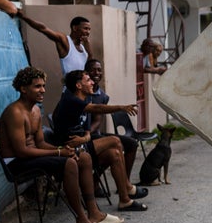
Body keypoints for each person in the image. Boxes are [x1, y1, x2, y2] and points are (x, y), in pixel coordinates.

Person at [0, 66, 124, 223]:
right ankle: (81, 221)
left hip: (31, 154)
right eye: (37, 86)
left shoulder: (35, 110)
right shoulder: (15, 112)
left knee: (83, 157)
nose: (42, 90)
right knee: (69, 163)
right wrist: (58, 153)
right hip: (17, 162)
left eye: (43, 86)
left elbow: (40, 143)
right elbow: (21, 151)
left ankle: (94, 212)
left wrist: (63, 149)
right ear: (23, 89)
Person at [52, 70, 148, 212]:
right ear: (79, 85)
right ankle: (127, 187)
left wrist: (85, 137)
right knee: (115, 141)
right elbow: (97, 108)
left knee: (114, 153)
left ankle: (125, 200)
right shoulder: (71, 100)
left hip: (82, 144)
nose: (92, 82)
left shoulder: (84, 99)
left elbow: (87, 131)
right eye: (88, 80)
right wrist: (121, 107)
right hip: (71, 150)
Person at [84, 58, 138, 180]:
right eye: (93, 70)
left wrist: (87, 132)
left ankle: (125, 182)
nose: (97, 73)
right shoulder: (81, 93)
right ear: (86, 73)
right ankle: (95, 182)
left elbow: (97, 121)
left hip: (93, 133)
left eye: (99, 70)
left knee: (132, 144)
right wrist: (84, 135)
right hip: (85, 137)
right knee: (112, 149)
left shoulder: (102, 96)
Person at [19, 14, 92, 77]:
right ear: (75, 28)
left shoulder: (84, 47)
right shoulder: (65, 41)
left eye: (89, 29)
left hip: (83, 90)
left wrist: (89, 51)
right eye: (85, 28)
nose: (88, 32)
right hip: (70, 91)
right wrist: (23, 17)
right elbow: (42, 28)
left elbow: (88, 68)